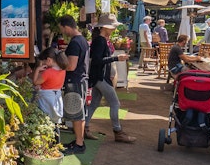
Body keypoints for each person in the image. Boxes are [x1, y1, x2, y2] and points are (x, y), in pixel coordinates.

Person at [81, 13, 137, 146]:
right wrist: (117, 58)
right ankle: (118, 131)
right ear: (105, 27)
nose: (114, 29)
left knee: (94, 103)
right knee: (115, 103)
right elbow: (97, 61)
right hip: (100, 77)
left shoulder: (99, 40)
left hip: (99, 77)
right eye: (112, 27)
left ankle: (85, 128)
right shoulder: (100, 41)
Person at [58, 15, 90, 153]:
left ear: (66, 27)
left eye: (62, 29)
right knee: (80, 113)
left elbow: (71, 66)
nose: (62, 32)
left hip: (74, 81)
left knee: (76, 114)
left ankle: (79, 144)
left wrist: (57, 64)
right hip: (81, 80)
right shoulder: (82, 40)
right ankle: (79, 141)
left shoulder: (75, 42)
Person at [33, 47, 68, 125]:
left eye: (43, 62)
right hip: (57, 95)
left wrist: (38, 69)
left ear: (49, 60)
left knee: (44, 117)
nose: (43, 64)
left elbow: (35, 82)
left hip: (46, 97)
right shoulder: (63, 70)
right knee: (55, 120)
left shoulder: (48, 72)